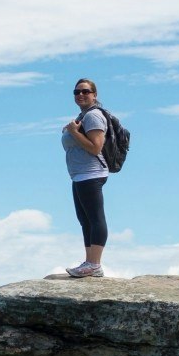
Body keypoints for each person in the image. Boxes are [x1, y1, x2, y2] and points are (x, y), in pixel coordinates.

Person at [59, 79, 110, 278]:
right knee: (85, 219)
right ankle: (89, 262)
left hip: (92, 173)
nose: (80, 94)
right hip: (80, 175)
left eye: (85, 91)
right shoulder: (84, 116)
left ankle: (94, 264)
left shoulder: (94, 116)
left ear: (94, 94)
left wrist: (72, 132)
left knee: (95, 218)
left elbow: (95, 146)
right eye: (77, 91)